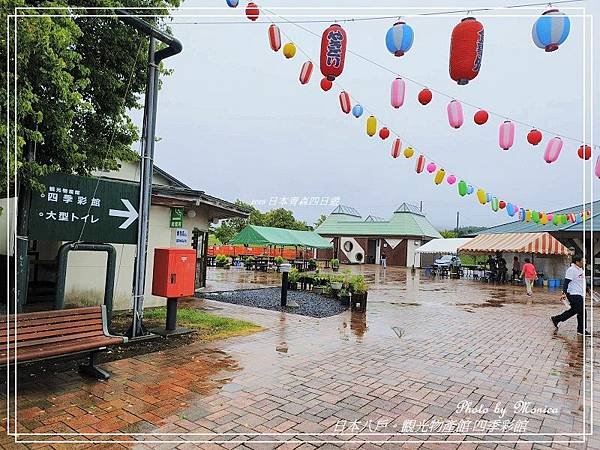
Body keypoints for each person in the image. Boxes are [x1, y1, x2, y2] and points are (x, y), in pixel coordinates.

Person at [551, 255, 589, 336]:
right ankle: (581, 330)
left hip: (579, 293)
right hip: (573, 294)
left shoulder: (581, 269)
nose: (585, 262)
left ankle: (556, 319)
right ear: (577, 262)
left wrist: (587, 289)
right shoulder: (571, 270)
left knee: (574, 310)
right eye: (583, 261)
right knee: (582, 311)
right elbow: (566, 282)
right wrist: (563, 293)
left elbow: (581, 281)